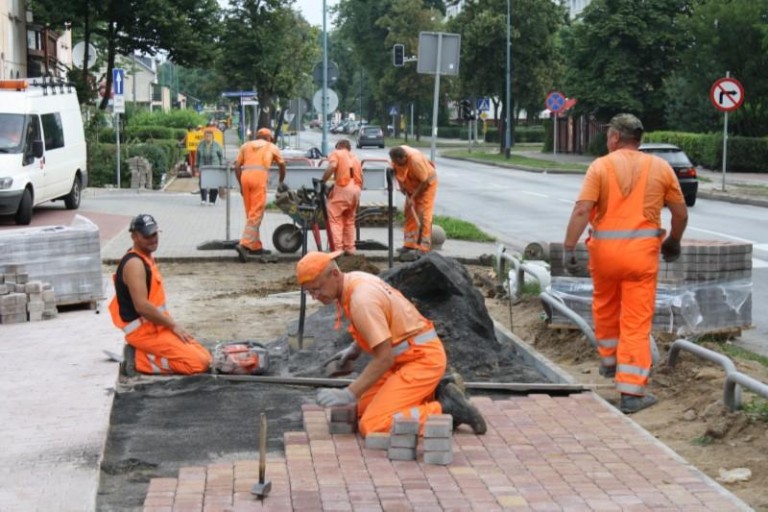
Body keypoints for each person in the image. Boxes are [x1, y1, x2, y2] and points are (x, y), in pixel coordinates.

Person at [562, 113, 688, 414]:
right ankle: (631, 392)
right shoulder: (660, 168)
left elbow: (582, 210)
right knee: (635, 322)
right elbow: (680, 214)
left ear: (616, 138)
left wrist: (569, 248)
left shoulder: (601, 166)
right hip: (640, 258)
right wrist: (673, 241)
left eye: (609, 136)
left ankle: (609, 361)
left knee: (605, 305)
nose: (607, 140)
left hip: (604, 255)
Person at [296, 250, 487, 436]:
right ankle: (431, 393)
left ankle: (448, 408)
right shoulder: (353, 281)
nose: (315, 296)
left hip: (421, 361)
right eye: (309, 292)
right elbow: (382, 321)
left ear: (335, 274)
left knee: (373, 424)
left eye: (317, 288)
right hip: (405, 360)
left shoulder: (362, 300)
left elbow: (384, 359)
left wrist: (348, 393)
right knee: (363, 408)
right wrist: (355, 348)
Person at [108, 214, 212, 375]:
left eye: (154, 234)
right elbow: (142, 306)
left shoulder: (146, 257)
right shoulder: (134, 264)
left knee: (206, 356)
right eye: (146, 236)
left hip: (156, 326)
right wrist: (173, 325)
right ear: (134, 237)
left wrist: (168, 325)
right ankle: (138, 359)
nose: (152, 239)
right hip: (144, 333)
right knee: (198, 364)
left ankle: (143, 355)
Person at [233, 127, 286, 258]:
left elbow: (236, 166)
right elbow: (282, 164)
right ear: (269, 138)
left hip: (245, 177)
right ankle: (244, 244)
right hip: (259, 178)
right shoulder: (271, 147)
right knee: (256, 213)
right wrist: (281, 180)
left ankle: (255, 246)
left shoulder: (245, 146)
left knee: (250, 213)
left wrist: (240, 184)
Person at [389, 145, 438, 259]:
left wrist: (413, 197)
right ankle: (409, 245)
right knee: (409, 213)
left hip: (427, 186)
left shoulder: (415, 161)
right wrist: (402, 186)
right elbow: (397, 172)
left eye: (398, 162)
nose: (396, 164)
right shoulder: (396, 158)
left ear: (404, 158)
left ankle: (423, 248)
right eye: (394, 162)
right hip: (411, 185)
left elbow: (424, 181)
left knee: (424, 214)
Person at [321, 139, 363, 254]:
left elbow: (332, 166)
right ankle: (350, 248)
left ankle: (337, 249)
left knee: (334, 219)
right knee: (349, 220)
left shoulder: (337, 153)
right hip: (356, 190)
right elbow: (361, 177)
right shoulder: (355, 158)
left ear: (339, 146)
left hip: (343, 188)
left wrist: (322, 181)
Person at [196, 129, 224, 205]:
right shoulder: (200, 144)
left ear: (212, 137)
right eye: (206, 136)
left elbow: (221, 156)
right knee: (202, 182)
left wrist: (222, 166)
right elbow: (197, 156)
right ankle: (203, 199)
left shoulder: (217, 145)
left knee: (214, 183)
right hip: (203, 167)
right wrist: (196, 166)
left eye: (209, 136)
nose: (207, 137)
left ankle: (212, 200)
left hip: (214, 167)